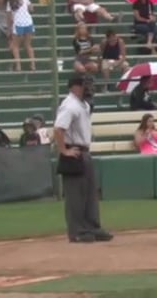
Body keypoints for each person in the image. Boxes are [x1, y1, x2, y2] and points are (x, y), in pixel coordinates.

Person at [53, 75, 112, 243]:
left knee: (89, 194)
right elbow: (58, 129)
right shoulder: (69, 105)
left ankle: (93, 227)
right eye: (84, 85)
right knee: (75, 195)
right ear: (74, 87)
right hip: (74, 152)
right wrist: (64, 150)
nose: (88, 88)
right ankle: (77, 231)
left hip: (85, 152)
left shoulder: (84, 104)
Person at [5, 0, 36, 71]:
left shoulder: (9, 3)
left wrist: (9, 29)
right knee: (28, 45)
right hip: (28, 22)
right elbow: (32, 9)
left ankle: (18, 66)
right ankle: (33, 65)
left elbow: (9, 18)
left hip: (18, 23)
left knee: (15, 46)